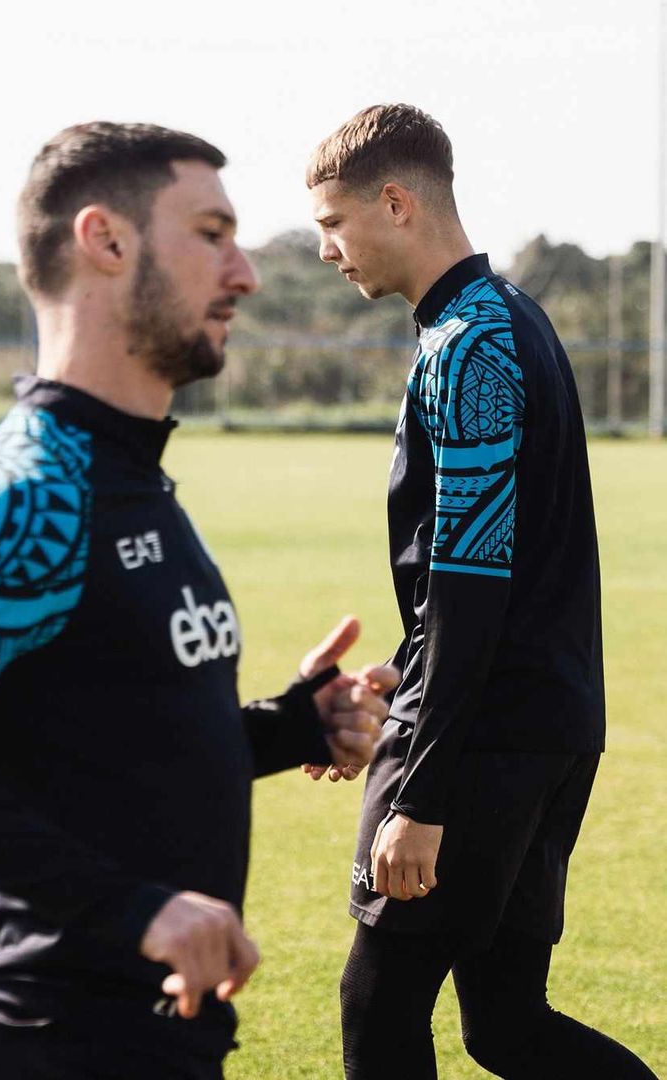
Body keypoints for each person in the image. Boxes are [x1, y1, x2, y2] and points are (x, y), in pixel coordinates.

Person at [0, 121, 399, 1080]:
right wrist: (131, 910)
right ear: (105, 240)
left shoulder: (129, 475)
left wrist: (294, 726)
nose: (247, 273)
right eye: (211, 234)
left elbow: (111, 743)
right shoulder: (32, 493)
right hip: (58, 1046)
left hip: (164, 1041)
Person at [306, 103, 658, 1079]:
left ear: (396, 202)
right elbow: (491, 570)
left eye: (333, 222)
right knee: (504, 1024)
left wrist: (421, 793)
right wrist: (405, 670)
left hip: (481, 742)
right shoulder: (513, 318)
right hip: (546, 722)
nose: (326, 249)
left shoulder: (467, 344)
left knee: (377, 1008)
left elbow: (471, 586)